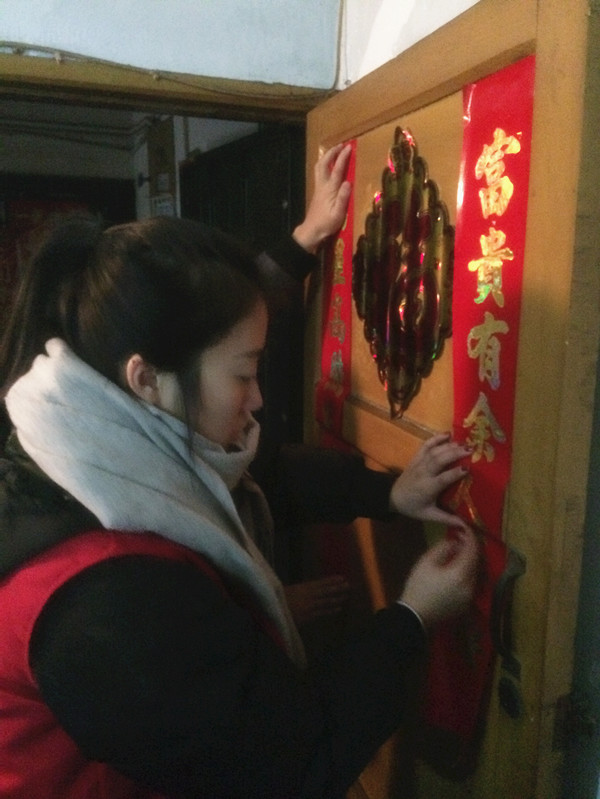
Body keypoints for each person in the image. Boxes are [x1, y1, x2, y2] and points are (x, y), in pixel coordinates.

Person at [0, 145, 478, 799]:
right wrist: (413, 617)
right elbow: (288, 763)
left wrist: (389, 492)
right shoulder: (105, 603)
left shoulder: (81, 439)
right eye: (244, 372)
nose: (256, 400)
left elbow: (259, 478)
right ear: (147, 379)